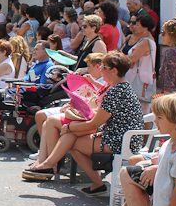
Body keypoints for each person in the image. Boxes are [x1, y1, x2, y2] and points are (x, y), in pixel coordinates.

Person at [25, 52, 145, 196]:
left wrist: (69, 127)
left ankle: (54, 167)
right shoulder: (122, 88)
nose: (101, 69)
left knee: (73, 143)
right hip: (124, 138)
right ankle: (50, 165)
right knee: (72, 135)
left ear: (114, 71)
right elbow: (100, 117)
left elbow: (93, 124)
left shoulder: (115, 92)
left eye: (104, 67)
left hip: (120, 140)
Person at [124, 15, 157, 114]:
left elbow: (133, 58)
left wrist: (116, 57)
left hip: (140, 79)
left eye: (138, 25)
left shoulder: (146, 41)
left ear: (145, 28)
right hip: (138, 77)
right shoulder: (143, 40)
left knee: (139, 110)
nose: (135, 27)